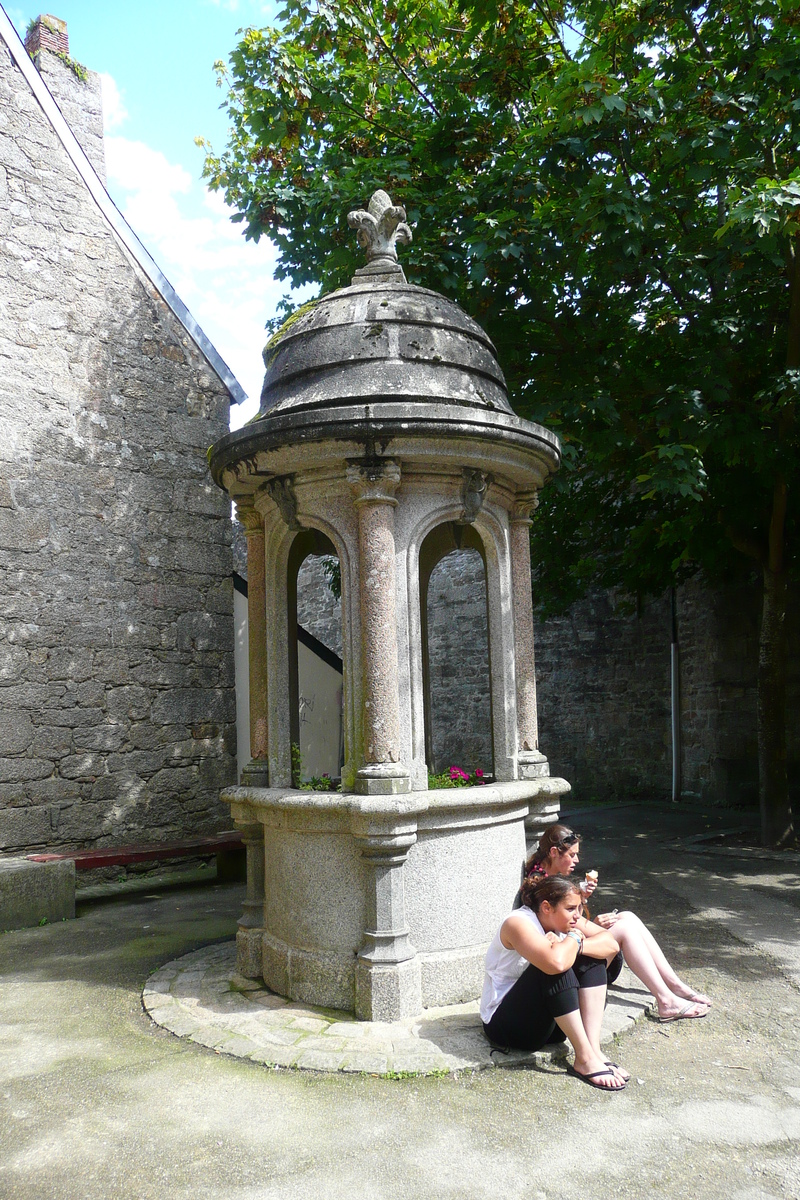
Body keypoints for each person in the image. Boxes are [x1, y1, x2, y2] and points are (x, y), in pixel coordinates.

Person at [526, 823, 711, 1021]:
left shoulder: (546, 876)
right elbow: (568, 928)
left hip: (572, 949)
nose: (577, 860)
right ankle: (666, 1001)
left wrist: (585, 902)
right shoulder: (545, 888)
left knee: (627, 916)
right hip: (569, 966)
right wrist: (594, 923)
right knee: (623, 929)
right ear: (554, 852)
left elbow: (568, 924)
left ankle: (674, 985)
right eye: (571, 855)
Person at [481, 874, 628, 1090]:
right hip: (509, 1026)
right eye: (571, 909)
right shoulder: (518, 923)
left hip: (553, 1022)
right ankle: (584, 1059)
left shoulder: (567, 919)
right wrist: (573, 939)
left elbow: (611, 944)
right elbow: (556, 964)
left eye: (580, 909)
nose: (578, 916)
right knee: (552, 966)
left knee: (590, 959)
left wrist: (574, 944)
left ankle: (593, 1050)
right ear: (547, 907)